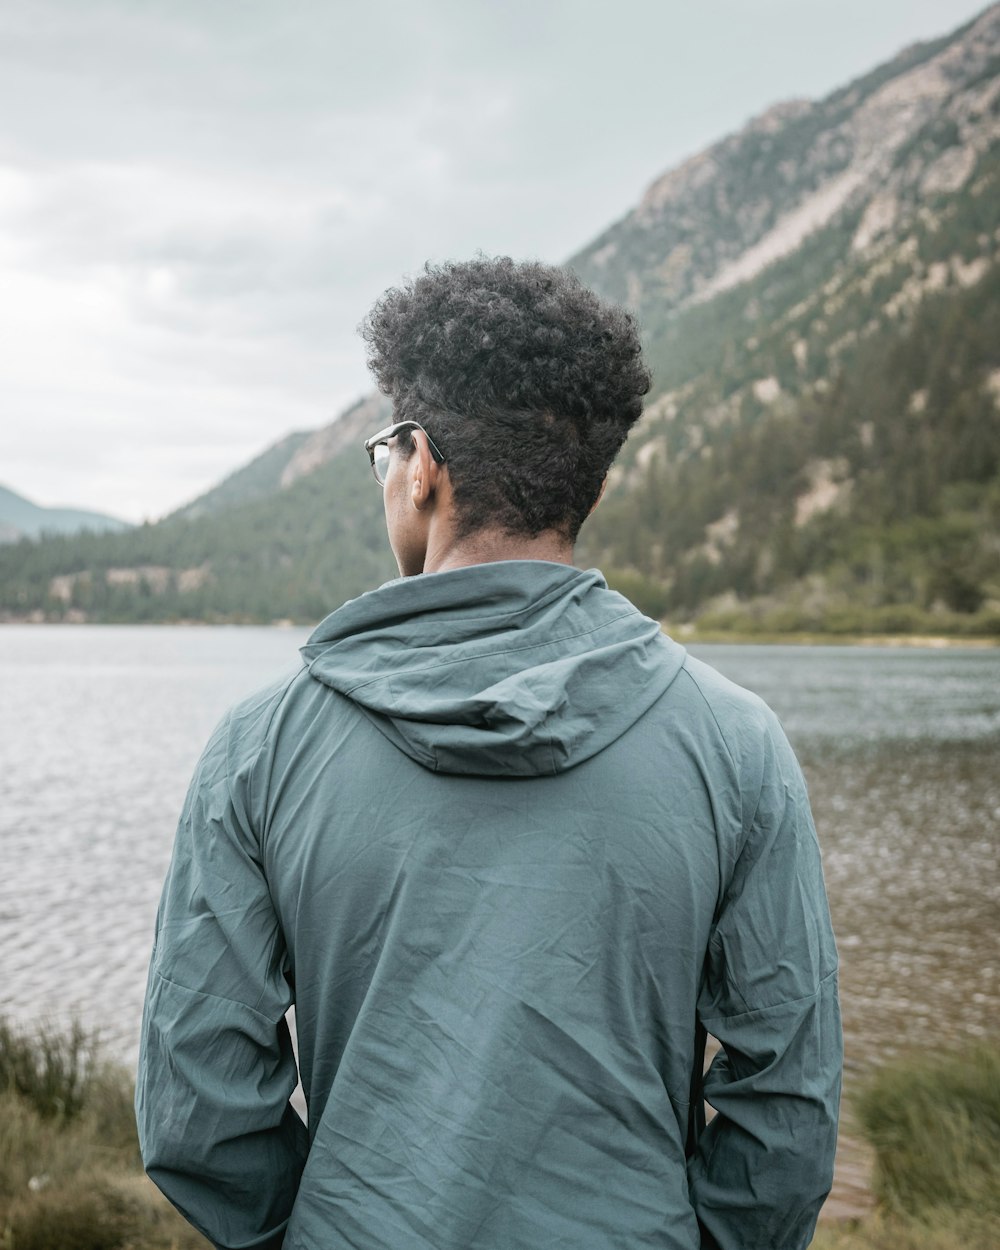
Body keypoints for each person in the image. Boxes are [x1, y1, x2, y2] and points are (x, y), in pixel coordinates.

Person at [136, 256, 841, 1250]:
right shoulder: (734, 744)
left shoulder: (262, 745)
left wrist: (324, 1227)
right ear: (587, 480)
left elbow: (196, 1104)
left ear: (420, 464)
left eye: (384, 450)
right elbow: (788, 1107)